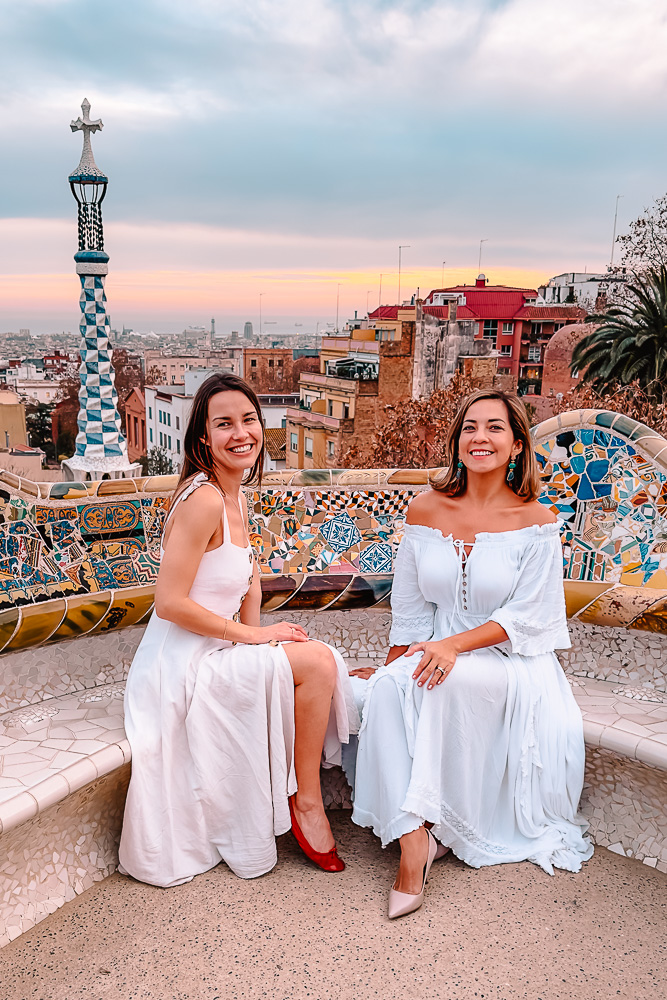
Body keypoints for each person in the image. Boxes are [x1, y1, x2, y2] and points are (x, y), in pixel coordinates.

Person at [350, 389, 593, 919]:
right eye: (469, 428)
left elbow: (529, 618)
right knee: (391, 686)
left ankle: (427, 839)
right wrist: (394, 664)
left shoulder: (538, 521)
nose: (479, 438)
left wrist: (452, 646)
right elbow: (410, 613)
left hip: (510, 665)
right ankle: (416, 841)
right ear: (457, 441)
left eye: (494, 428)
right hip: (430, 650)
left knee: (434, 678)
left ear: (517, 445)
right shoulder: (425, 509)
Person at [119, 373, 358, 886]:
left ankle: (297, 791)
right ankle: (305, 800)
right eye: (223, 423)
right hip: (178, 667)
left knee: (314, 657)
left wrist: (262, 638)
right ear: (203, 436)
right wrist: (256, 639)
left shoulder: (236, 497)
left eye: (248, 420)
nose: (240, 432)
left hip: (215, 654)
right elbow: (168, 603)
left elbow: (242, 598)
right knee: (315, 661)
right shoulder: (204, 499)